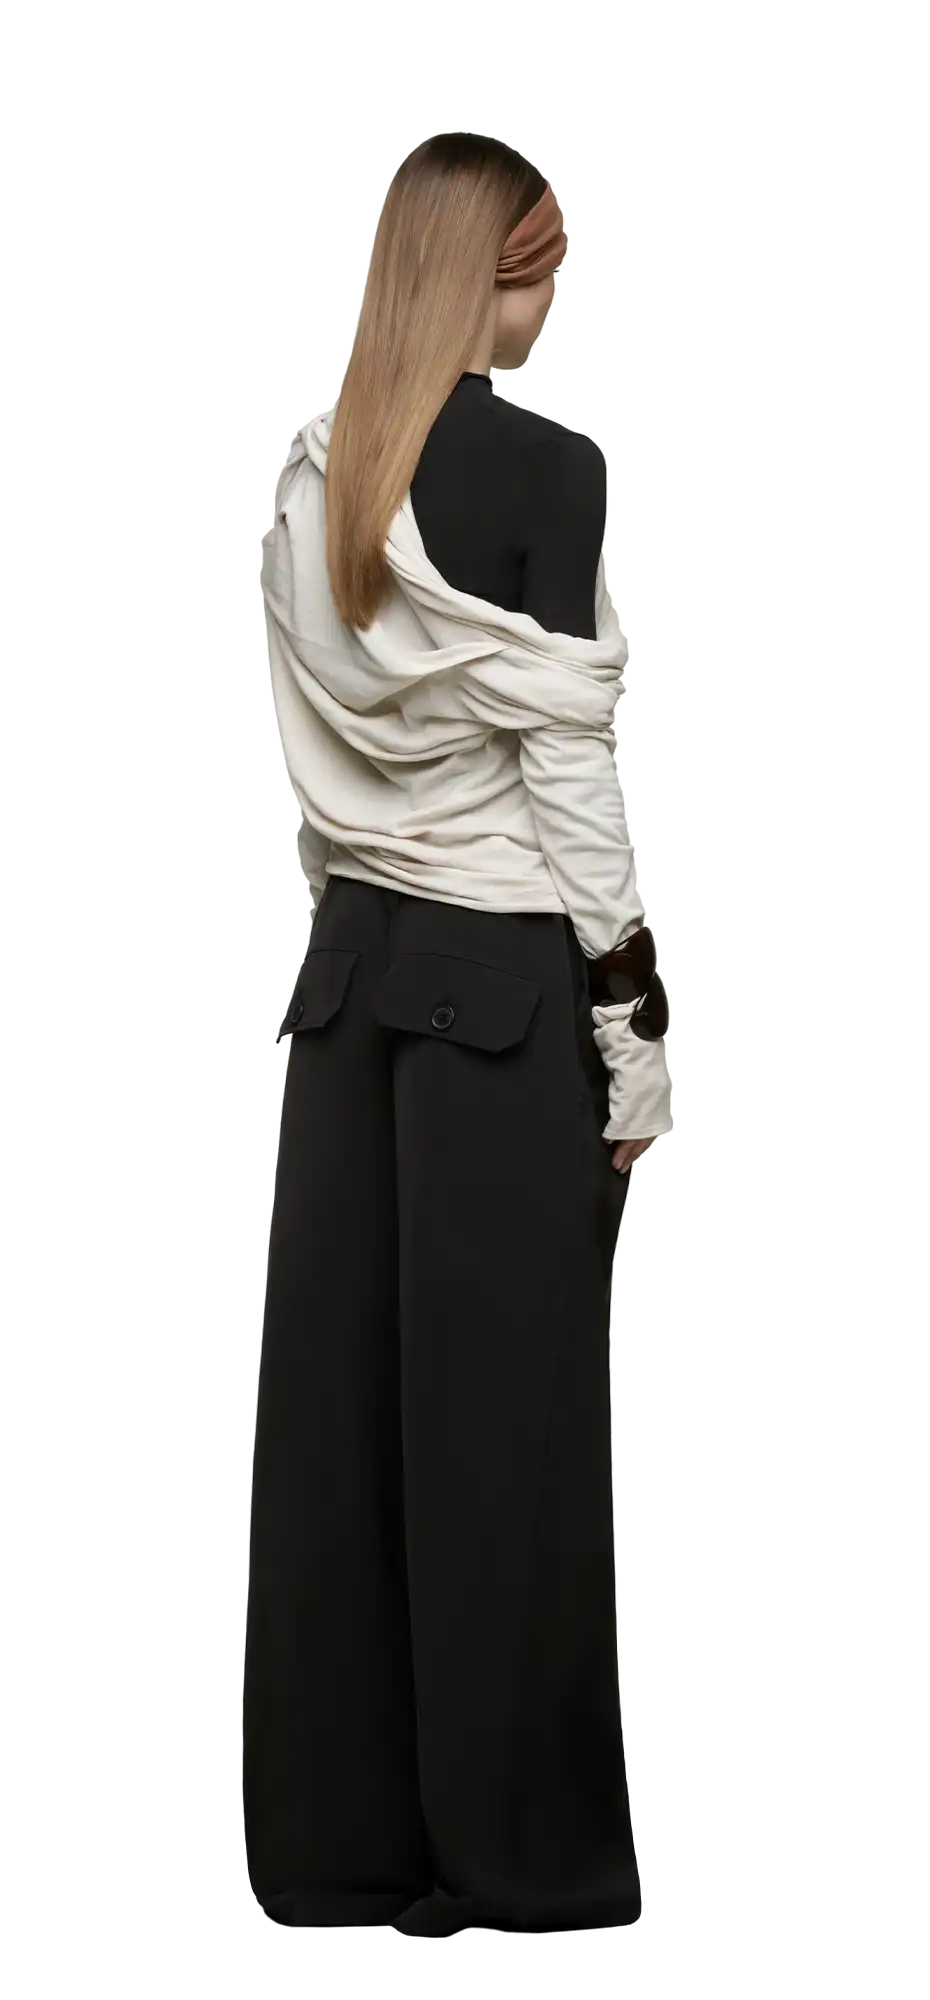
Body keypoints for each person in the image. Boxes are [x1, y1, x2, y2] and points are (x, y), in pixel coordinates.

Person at [242, 131, 671, 1943]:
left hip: (347, 989)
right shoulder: (545, 469)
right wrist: (633, 1024)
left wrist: (344, 933)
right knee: (509, 1441)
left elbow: (318, 776)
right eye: (544, 263)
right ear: (507, 274)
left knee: (341, 1437)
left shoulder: (312, 471)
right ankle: (520, 1869)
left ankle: (337, 1853)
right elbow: (562, 770)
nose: (554, 296)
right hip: (500, 991)